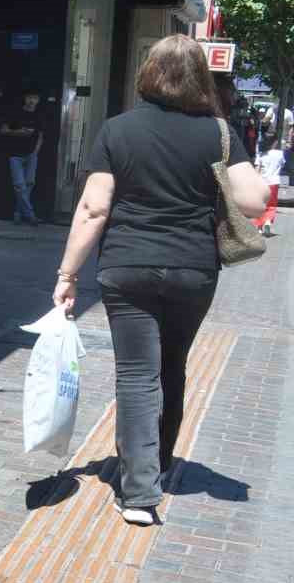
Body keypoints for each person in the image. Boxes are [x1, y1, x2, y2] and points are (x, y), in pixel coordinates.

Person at [53, 35, 267, 525]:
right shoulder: (218, 132)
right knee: (172, 365)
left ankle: (139, 491)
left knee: (136, 373)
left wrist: (68, 274)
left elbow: (93, 208)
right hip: (194, 269)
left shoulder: (118, 130)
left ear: (147, 74)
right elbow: (254, 201)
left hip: (127, 266)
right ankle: (159, 462)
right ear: (200, 79)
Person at [0, 89, 47, 225]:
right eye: (30, 97)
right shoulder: (15, 113)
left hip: (31, 154)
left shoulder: (39, 116)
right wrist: (19, 132)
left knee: (29, 184)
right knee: (19, 185)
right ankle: (30, 215)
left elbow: (40, 136)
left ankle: (18, 214)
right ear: (25, 98)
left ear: (38, 100)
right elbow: (3, 130)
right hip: (15, 155)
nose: (32, 101)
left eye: (35, 98)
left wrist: (35, 152)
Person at [255, 142, 284, 237]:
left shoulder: (261, 154)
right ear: (275, 142)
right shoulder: (279, 154)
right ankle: (267, 222)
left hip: (262, 182)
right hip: (274, 182)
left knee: (261, 205)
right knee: (271, 205)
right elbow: (282, 164)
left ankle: (259, 228)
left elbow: (257, 169)